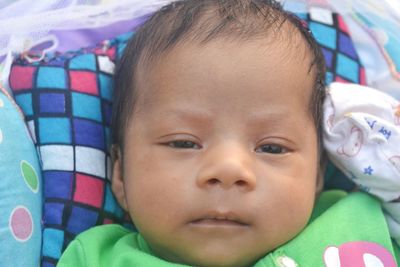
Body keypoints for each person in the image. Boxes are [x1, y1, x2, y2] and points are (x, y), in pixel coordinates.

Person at [57, 0, 399, 266]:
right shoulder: (97, 258)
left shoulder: (363, 221)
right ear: (120, 172)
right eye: (183, 142)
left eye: (272, 148)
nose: (229, 170)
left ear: (317, 176)